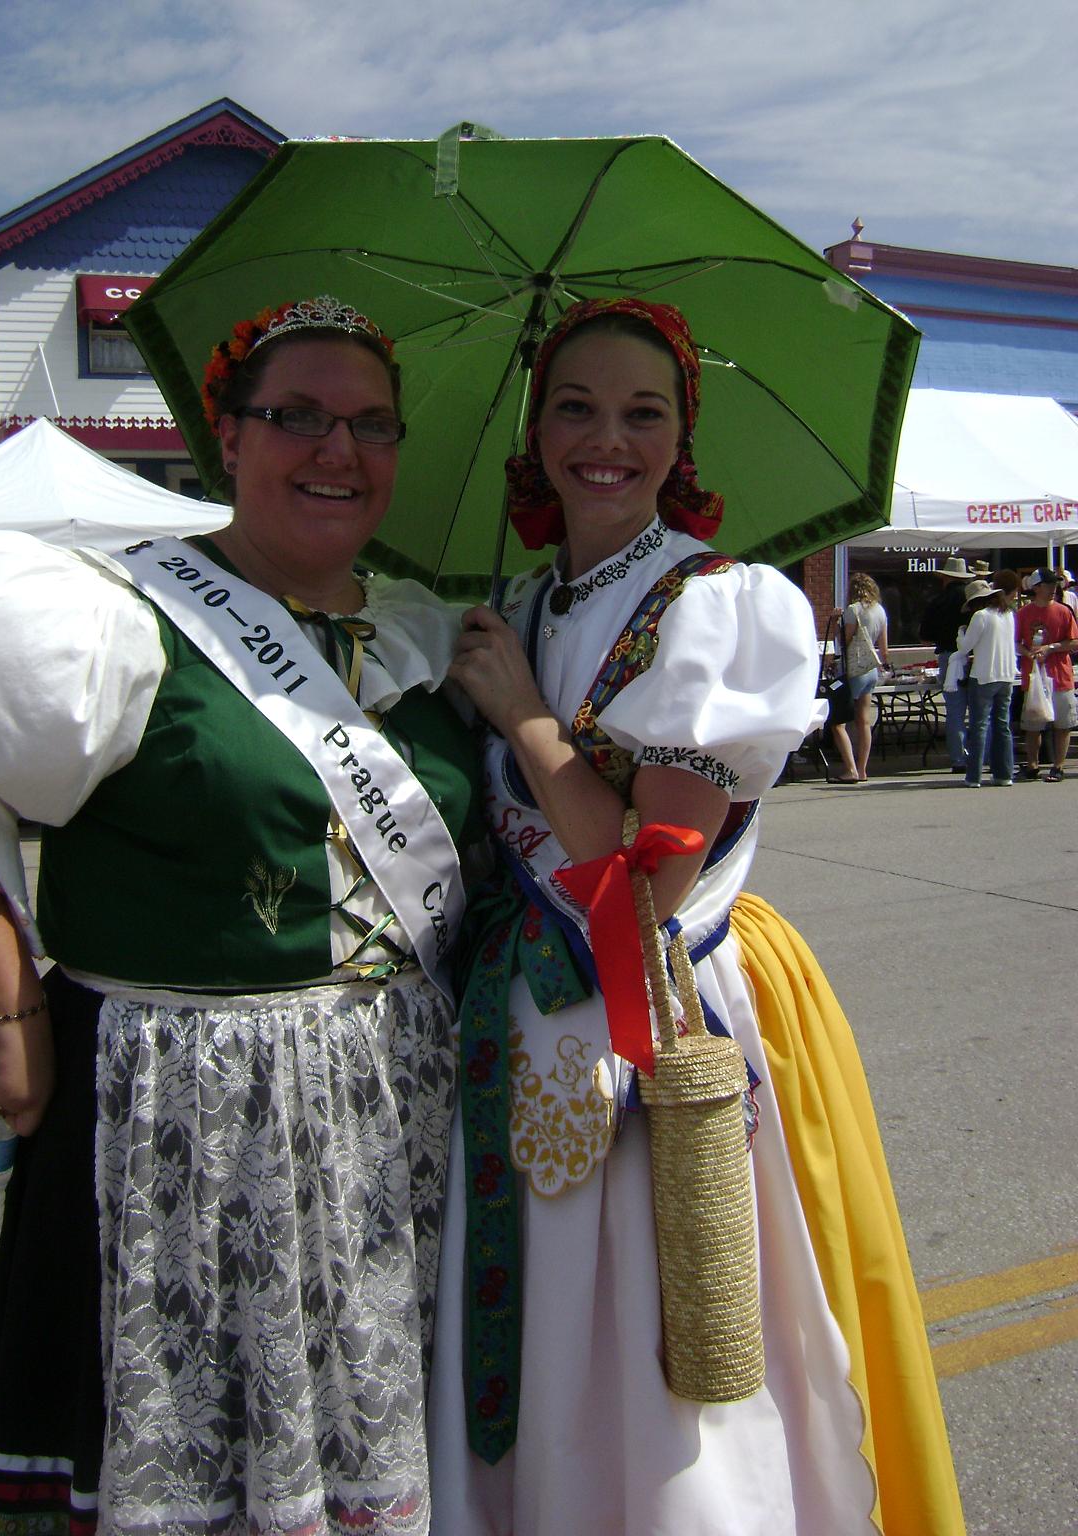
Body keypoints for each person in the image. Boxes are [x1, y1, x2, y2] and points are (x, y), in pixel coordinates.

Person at [0, 296, 481, 1536]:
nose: (338, 451)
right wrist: (6, 1000)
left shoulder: (435, 635)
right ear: (225, 437)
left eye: (371, 425)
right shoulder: (108, 620)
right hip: (168, 1128)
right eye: (297, 417)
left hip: (387, 1125)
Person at [429, 297, 964, 1535]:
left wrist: (521, 716)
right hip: (516, 1023)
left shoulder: (723, 606)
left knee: (671, 1351)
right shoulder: (521, 598)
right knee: (546, 1340)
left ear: (683, 439)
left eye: (641, 412)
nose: (604, 439)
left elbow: (645, 879)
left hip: (656, 1018)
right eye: (575, 405)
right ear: (534, 425)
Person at [956, 572, 1021, 787]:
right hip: (1006, 674)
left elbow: (965, 648)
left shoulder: (981, 616)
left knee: (979, 725)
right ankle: (1004, 773)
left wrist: (961, 633)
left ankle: (974, 776)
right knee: (1002, 725)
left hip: (984, 675)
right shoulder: (1009, 614)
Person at [1014, 568, 1078, 781]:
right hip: (1034, 676)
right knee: (1033, 725)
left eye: (1055, 585)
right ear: (1036, 587)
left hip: (1060, 675)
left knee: (1063, 724)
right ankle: (1032, 765)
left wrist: (1051, 647)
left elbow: (1074, 641)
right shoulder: (1023, 613)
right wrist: (1028, 652)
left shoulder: (1063, 611)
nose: (1053, 589)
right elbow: (1015, 643)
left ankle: (1058, 766)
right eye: (1049, 585)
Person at [830, 572, 891, 783]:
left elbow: (845, 641)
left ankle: (851, 769)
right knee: (864, 721)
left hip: (854, 670)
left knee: (838, 722)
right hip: (871, 669)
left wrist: (835, 625)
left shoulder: (853, 610)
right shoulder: (880, 611)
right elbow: (884, 648)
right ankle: (863, 769)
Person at [918, 556, 974, 771]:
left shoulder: (937, 601)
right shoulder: (973, 601)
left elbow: (925, 636)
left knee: (955, 711)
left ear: (945, 578)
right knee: (979, 711)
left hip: (948, 657)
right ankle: (981, 756)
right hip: (973, 656)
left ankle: (958, 758)